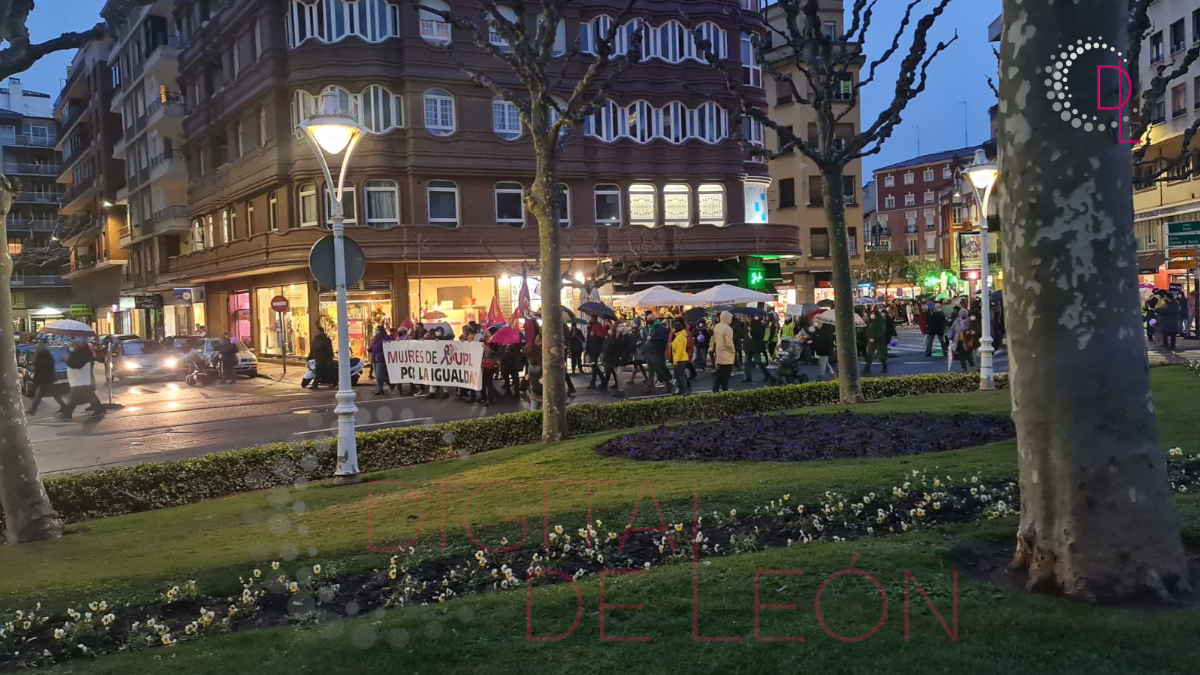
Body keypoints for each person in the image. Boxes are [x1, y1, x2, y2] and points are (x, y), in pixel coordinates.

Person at [61, 339, 104, 421]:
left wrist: (66, 359)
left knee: (75, 396)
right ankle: (99, 409)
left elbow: (76, 364)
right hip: (80, 380)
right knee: (86, 394)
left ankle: (67, 413)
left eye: (74, 343)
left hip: (80, 380)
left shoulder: (82, 353)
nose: (72, 344)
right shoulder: (80, 352)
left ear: (80, 345)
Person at [26, 342, 66, 415]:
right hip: (48, 379)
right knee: (53, 394)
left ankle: (32, 410)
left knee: (41, 395)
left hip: (44, 380)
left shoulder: (40, 357)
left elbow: (39, 370)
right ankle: (64, 406)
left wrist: (35, 382)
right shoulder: (48, 356)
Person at [644, 313, 673, 394]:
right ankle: (650, 387)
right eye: (647, 319)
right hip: (651, 353)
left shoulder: (659, 328)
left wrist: (652, 338)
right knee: (651, 371)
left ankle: (668, 384)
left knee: (660, 370)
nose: (647, 321)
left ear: (653, 319)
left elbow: (663, 339)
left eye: (649, 319)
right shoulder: (651, 327)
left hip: (656, 353)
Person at [743, 315, 775, 384]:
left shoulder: (758, 325)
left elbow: (758, 336)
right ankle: (748, 377)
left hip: (755, 347)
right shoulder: (748, 325)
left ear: (751, 317)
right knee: (746, 363)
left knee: (758, 362)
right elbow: (746, 336)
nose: (746, 318)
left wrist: (750, 331)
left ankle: (767, 375)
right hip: (749, 347)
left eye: (748, 317)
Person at [709, 310, 736, 393]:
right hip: (727, 355)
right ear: (727, 318)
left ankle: (716, 390)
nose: (731, 319)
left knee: (719, 374)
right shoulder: (728, 328)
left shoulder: (717, 326)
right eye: (730, 318)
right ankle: (724, 391)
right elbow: (729, 343)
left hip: (719, 352)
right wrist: (733, 351)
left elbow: (714, 339)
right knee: (725, 376)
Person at [863, 310, 889, 375]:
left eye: (873, 314)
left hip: (879, 340)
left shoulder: (880, 322)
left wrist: (874, 337)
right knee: (869, 354)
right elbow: (868, 330)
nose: (872, 315)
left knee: (881, 354)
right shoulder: (870, 321)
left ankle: (884, 366)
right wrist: (869, 337)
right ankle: (867, 367)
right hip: (871, 340)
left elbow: (881, 331)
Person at [671, 319, 691, 395]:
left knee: (680, 376)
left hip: (680, 360)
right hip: (682, 359)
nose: (672, 329)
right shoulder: (680, 335)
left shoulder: (680, 337)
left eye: (673, 327)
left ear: (676, 328)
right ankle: (684, 390)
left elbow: (679, 350)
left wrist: (675, 361)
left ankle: (684, 391)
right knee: (681, 376)